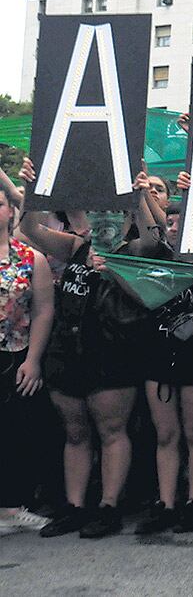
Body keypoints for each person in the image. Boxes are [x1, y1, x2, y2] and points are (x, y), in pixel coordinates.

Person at [18, 158, 152, 538]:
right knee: (75, 433)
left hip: (111, 353)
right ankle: (74, 507)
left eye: (113, 212)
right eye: (98, 212)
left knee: (112, 430)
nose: (103, 218)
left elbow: (149, 270)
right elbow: (30, 229)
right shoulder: (78, 246)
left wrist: (140, 196)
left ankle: (109, 507)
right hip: (68, 350)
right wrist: (33, 188)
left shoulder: (135, 250)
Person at [132, 205, 193, 534]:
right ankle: (166, 503)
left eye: (179, 222)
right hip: (159, 351)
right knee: (165, 433)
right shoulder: (154, 260)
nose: (173, 227)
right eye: (170, 222)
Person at [0, 182, 55, 534]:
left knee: (13, 433)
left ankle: (10, 507)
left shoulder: (30, 258)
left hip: (14, 355)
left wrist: (33, 359)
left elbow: (44, 311)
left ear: (11, 211)